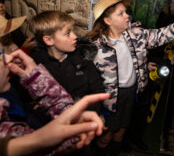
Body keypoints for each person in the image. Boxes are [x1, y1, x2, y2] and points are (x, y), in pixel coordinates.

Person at [86, 0, 174, 155]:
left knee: (120, 133)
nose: (127, 15)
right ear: (107, 21)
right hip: (109, 99)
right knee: (106, 137)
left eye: (125, 12)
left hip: (131, 93)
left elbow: (166, 33)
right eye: (120, 14)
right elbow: (86, 79)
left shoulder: (136, 35)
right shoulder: (95, 47)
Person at [0, 15, 110, 155]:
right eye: (67, 33)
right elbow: (27, 105)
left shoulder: (83, 60)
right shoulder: (36, 62)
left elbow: (96, 90)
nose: (75, 36)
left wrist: (81, 114)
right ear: (48, 40)